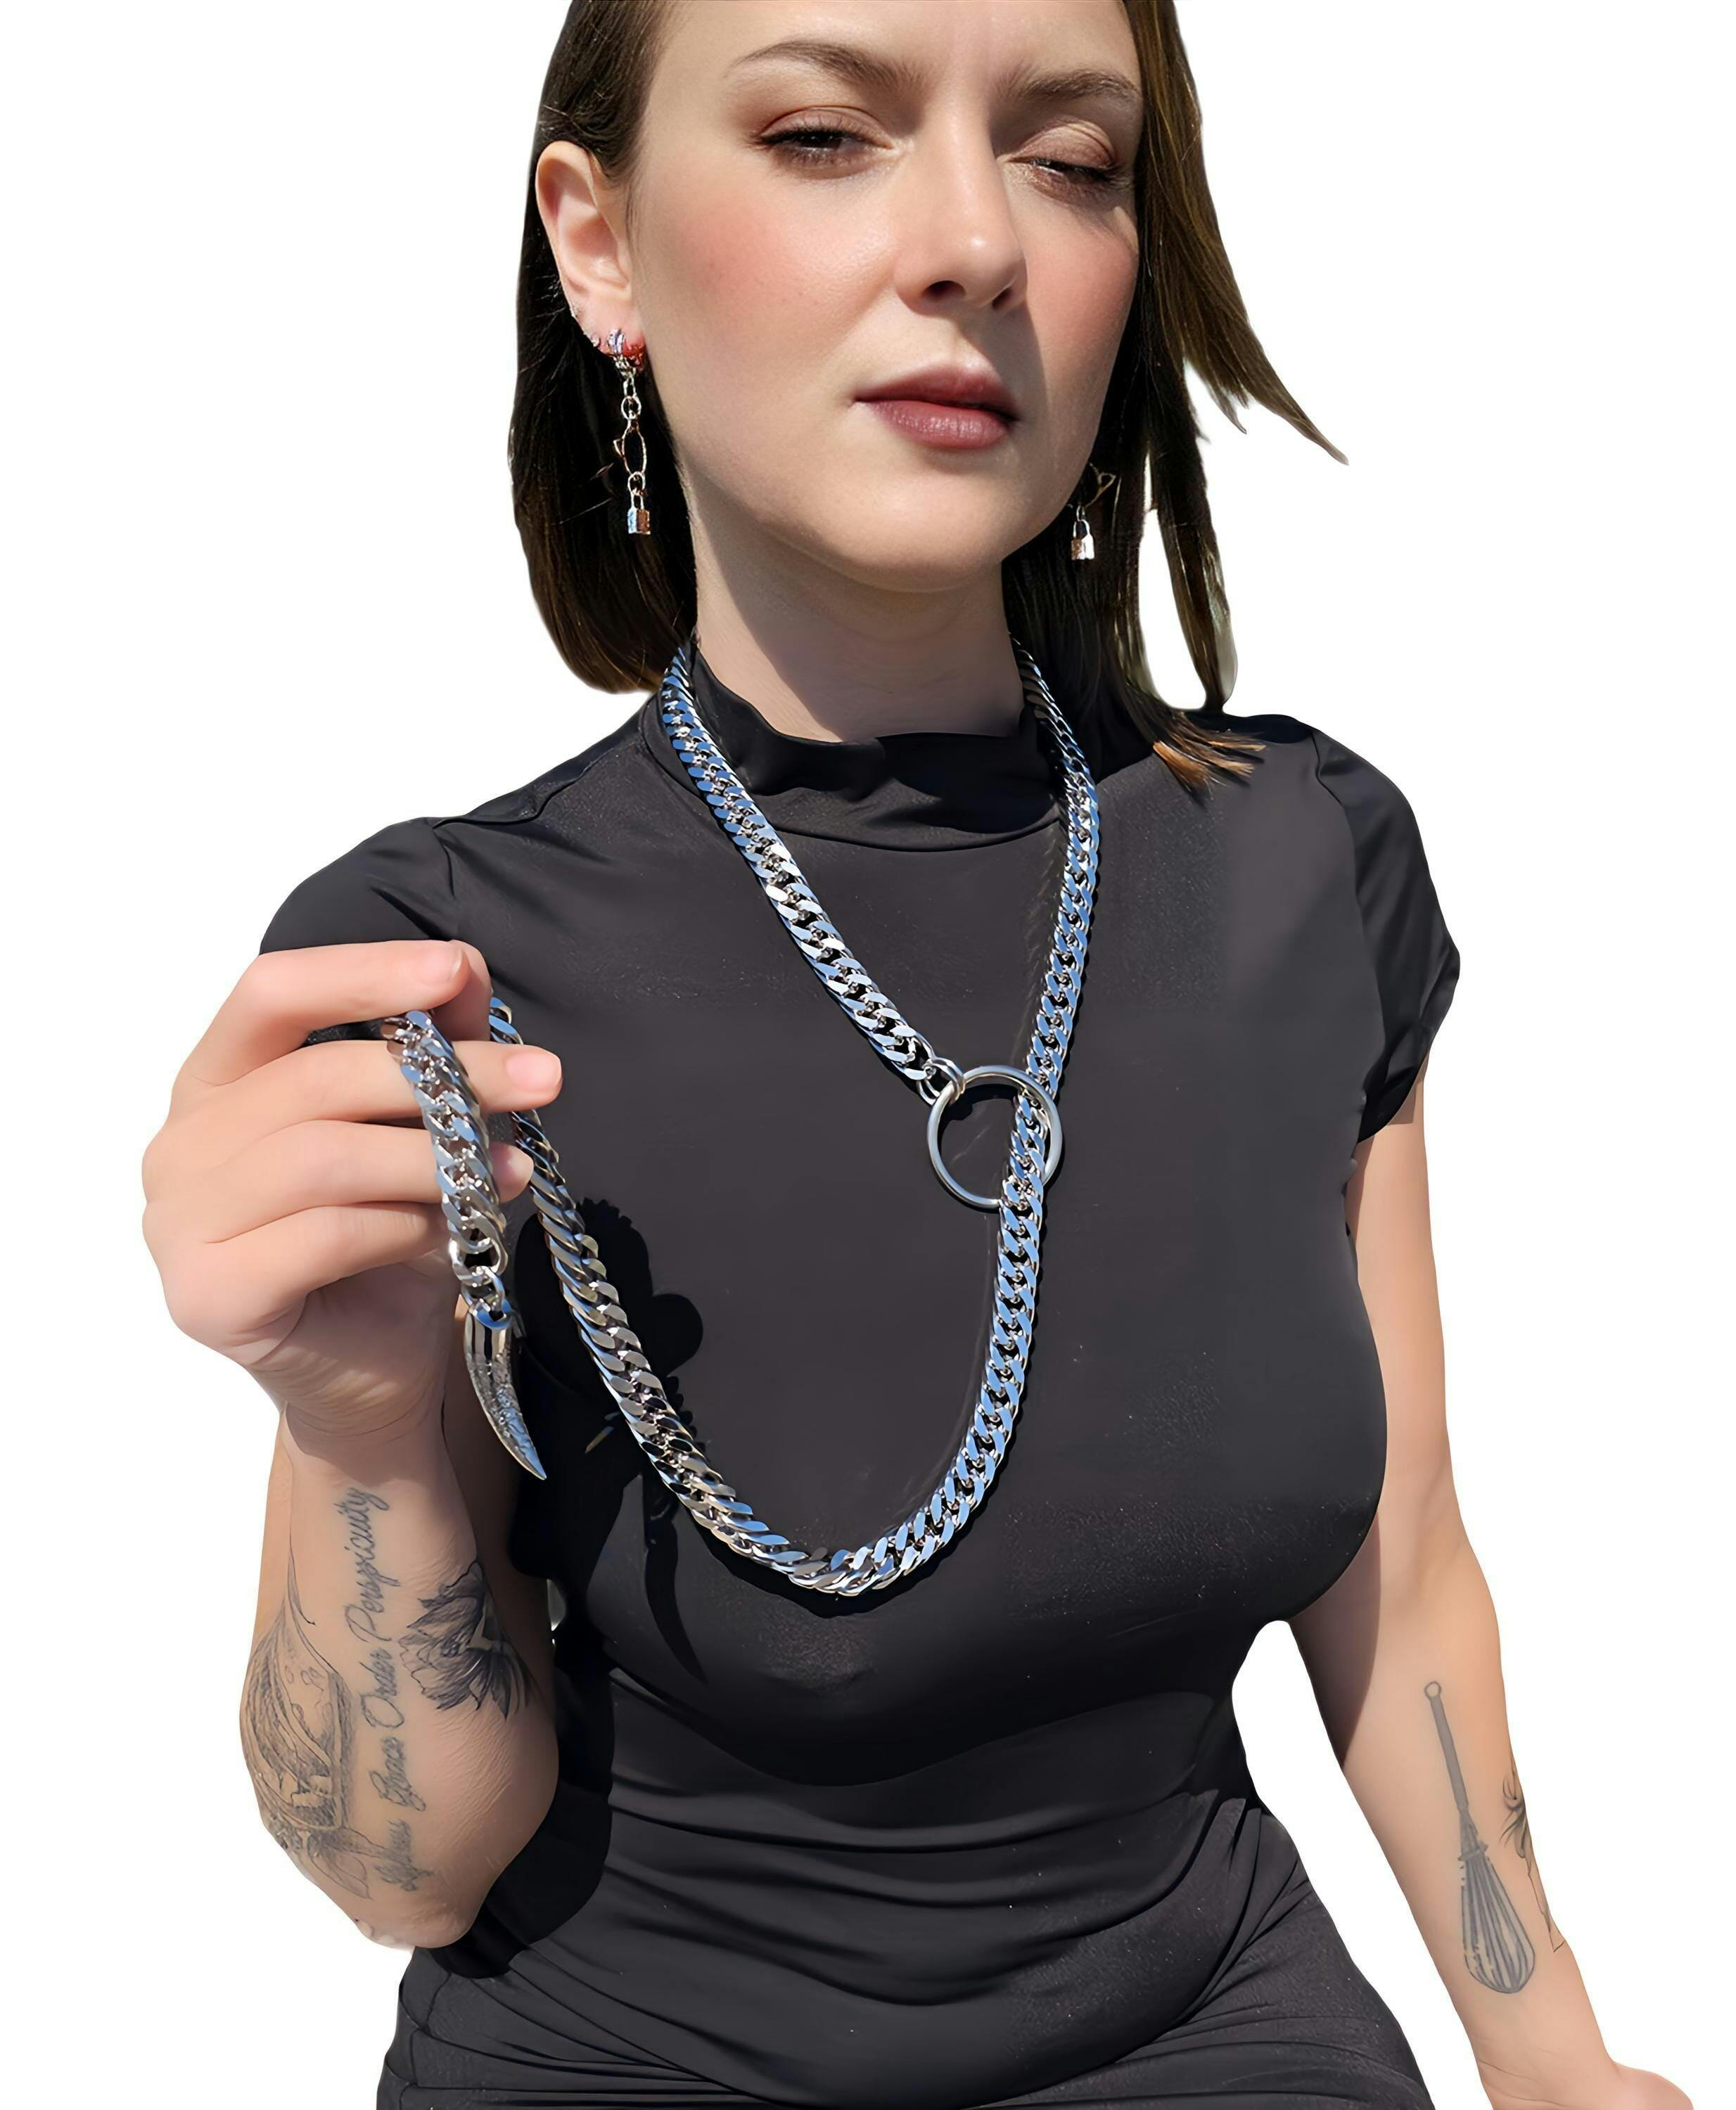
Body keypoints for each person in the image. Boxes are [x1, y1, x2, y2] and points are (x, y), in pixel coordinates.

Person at [141, 4, 1690, 2107]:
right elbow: (402, 1871)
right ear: (596, 241)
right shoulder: (435, 970)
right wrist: (353, 1432)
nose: (975, 240)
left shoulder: (1308, 866)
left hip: (1214, 2036)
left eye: (1070, 159)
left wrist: (1553, 2055)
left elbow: (1399, 1578)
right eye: (823, 133)